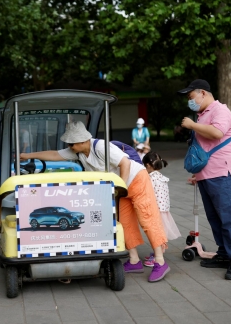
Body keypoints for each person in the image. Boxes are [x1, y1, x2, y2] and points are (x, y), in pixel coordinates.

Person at [20, 121, 170, 282]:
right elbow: (55, 155)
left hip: (135, 179)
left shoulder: (100, 147)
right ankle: (134, 261)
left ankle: (160, 262)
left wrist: (121, 186)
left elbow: (124, 163)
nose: (69, 146)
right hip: (120, 187)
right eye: (69, 144)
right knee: (124, 222)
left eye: (72, 143)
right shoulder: (78, 151)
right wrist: (28, 155)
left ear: (83, 141)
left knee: (147, 218)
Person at [178, 79, 231, 280]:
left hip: (226, 174)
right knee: (215, 218)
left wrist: (191, 125)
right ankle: (224, 253)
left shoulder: (220, 110)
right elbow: (205, 149)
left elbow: (217, 133)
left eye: (192, 97)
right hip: (208, 175)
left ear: (203, 93)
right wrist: (198, 174)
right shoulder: (202, 115)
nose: (190, 102)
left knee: (229, 218)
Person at [142, 152, 181, 267]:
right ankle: (157, 253)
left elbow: (148, 194)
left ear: (148, 165)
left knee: (156, 232)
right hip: (164, 209)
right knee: (160, 231)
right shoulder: (161, 177)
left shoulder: (150, 178)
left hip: (156, 210)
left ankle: (158, 257)